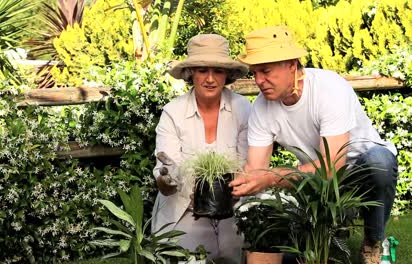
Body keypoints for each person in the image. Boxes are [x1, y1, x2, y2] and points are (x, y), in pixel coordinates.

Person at [229, 26, 398, 264]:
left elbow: (332, 168)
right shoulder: (261, 107)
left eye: (265, 71)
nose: (258, 81)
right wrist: (237, 182)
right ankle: (331, 229)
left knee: (380, 161)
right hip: (315, 180)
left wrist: (271, 177)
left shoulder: (329, 88)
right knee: (302, 253)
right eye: (254, 73)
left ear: (291, 64)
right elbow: (257, 169)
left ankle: (373, 241)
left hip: (356, 171)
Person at [151, 34, 251, 263]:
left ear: (227, 75)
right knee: (191, 256)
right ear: (190, 73)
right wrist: (165, 180)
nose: (210, 79)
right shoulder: (173, 113)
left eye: (217, 71)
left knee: (233, 253)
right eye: (202, 70)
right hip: (185, 207)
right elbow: (166, 169)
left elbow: (247, 166)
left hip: (233, 205)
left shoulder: (243, 109)